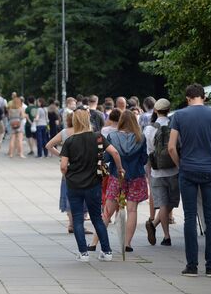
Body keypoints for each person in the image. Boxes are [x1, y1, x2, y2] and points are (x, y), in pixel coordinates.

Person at [169, 83, 211, 278]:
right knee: (210, 218)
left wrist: (180, 165)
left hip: (188, 169)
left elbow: (171, 147)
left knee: (189, 217)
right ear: (203, 97)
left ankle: (192, 265)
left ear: (187, 98)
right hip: (210, 169)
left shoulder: (179, 116)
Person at [60, 108, 124, 262]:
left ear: (75, 121)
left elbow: (63, 166)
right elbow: (115, 153)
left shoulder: (70, 141)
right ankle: (107, 251)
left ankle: (83, 253)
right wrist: (120, 168)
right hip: (94, 183)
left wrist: (68, 174)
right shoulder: (98, 137)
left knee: (77, 219)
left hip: (74, 185)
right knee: (97, 217)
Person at [92, 109, 148, 252]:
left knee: (108, 211)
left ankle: (94, 243)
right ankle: (127, 243)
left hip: (117, 177)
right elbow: (144, 159)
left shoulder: (112, 136)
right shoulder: (140, 138)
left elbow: (107, 158)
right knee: (132, 210)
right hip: (136, 177)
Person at [143, 99, 179, 247]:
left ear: (156, 111)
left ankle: (166, 236)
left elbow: (149, 151)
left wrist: (149, 171)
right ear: (169, 109)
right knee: (172, 202)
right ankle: (155, 225)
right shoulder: (174, 126)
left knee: (163, 204)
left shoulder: (149, 129)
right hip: (174, 169)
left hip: (157, 171)